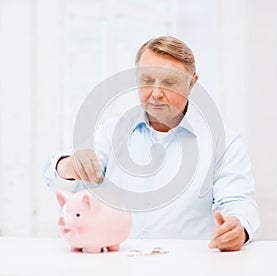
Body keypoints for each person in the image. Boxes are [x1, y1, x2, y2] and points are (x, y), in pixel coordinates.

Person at [44, 36, 260, 251]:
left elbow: (238, 201)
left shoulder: (224, 143)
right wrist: (68, 166)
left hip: (190, 265)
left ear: (192, 83)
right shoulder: (112, 131)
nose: (156, 93)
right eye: (147, 80)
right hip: (119, 264)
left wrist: (238, 227)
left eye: (169, 83)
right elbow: (58, 176)